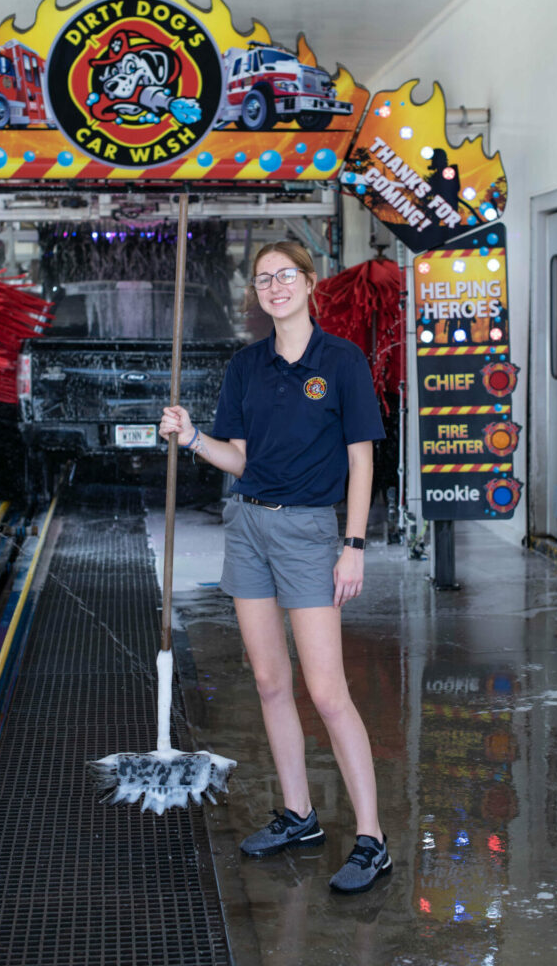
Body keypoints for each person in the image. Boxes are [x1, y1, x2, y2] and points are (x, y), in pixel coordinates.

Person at [159, 241, 391, 894]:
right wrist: (192, 436)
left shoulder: (340, 361)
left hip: (312, 532)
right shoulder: (246, 367)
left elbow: (361, 460)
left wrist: (354, 543)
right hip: (248, 525)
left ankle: (372, 837)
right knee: (268, 682)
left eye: (285, 274)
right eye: (263, 278)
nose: (275, 286)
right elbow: (239, 459)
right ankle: (300, 814)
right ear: (255, 292)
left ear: (310, 283)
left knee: (326, 690)